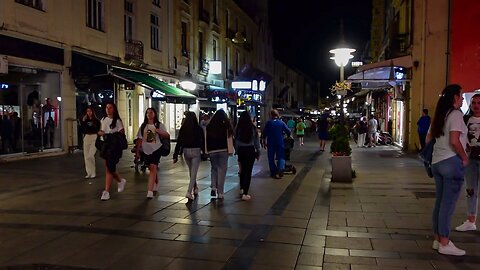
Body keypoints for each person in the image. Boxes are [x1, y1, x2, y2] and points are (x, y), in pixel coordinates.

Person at [427, 84, 468, 256]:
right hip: (451, 162)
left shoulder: (440, 115)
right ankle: (445, 242)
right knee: (448, 205)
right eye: (461, 95)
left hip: (437, 162)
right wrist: (464, 157)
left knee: (440, 203)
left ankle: (437, 239)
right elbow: (454, 140)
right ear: (454, 98)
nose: (463, 99)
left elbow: (429, 138)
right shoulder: (456, 114)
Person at [455, 93, 480, 232]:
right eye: (474, 103)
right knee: (471, 190)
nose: (476, 106)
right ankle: (471, 220)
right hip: (470, 159)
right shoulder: (466, 119)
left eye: (479, 103)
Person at [135, 108, 170, 199]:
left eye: (151, 112)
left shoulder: (159, 125)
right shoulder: (143, 126)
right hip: (146, 149)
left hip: (156, 148)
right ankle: (156, 181)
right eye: (147, 113)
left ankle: (149, 191)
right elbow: (139, 139)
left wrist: (159, 131)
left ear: (155, 114)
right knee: (151, 168)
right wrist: (138, 152)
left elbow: (167, 135)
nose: (149, 114)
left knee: (153, 166)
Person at [98, 103, 127, 201]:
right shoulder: (103, 119)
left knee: (109, 168)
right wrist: (101, 134)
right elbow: (101, 131)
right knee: (108, 167)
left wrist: (109, 135)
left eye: (110, 108)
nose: (108, 109)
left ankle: (106, 191)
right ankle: (120, 180)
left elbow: (122, 134)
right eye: (107, 107)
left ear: (114, 109)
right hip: (105, 146)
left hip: (113, 147)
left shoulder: (117, 121)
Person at [173, 111, 204, 200]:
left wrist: (176, 154)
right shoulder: (198, 128)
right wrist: (204, 152)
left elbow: (179, 142)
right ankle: (189, 191)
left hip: (186, 151)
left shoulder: (183, 128)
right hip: (196, 151)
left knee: (191, 171)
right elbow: (202, 140)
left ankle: (195, 187)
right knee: (193, 173)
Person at [206, 110, 234, 199]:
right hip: (223, 150)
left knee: (214, 169)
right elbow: (229, 138)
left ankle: (213, 186)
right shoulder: (226, 125)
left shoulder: (209, 126)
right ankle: (220, 192)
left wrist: (206, 151)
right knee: (222, 170)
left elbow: (206, 139)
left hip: (212, 151)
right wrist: (231, 150)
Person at [235, 111, 261, 201]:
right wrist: (258, 152)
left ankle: (242, 188)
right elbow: (256, 142)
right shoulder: (253, 128)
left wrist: (237, 151)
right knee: (248, 171)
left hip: (241, 150)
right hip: (250, 150)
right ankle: (245, 193)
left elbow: (236, 141)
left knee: (242, 170)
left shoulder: (238, 128)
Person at [261, 109, 291, 179]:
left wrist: (263, 141)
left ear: (271, 115)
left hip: (270, 143)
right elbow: (288, 131)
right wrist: (288, 136)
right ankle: (281, 168)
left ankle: (274, 172)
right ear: (277, 115)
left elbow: (264, 133)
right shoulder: (281, 123)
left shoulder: (269, 123)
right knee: (281, 156)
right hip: (280, 142)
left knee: (271, 158)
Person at [80, 106, 101, 179]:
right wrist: (83, 121)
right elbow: (82, 130)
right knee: (86, 156)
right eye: (87, 111)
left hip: (94, 137)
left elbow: (98, 130)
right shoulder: (85, 120)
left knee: (90, 155)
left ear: (92, 112)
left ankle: (93, 172)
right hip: (87, 137)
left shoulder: (96, 121)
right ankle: (88, 172)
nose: (89, 112)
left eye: (90, 111)